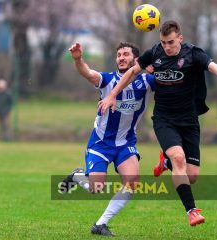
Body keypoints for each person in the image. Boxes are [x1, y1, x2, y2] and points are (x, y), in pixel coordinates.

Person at [98, 20, 217, 226]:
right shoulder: (154, 53)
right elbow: (133, 72)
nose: (167, 47)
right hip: (164, 119)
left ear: (180, 38)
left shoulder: (193, 54)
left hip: (189, 120)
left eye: (170, 42)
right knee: (179, 158)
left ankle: (166, 162)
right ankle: (192, 211)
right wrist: (113, 95)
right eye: (163, 42)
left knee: (192, 176)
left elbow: (216, 69)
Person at [59, 42, 155, 236]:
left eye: (126, 54)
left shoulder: (146, 81)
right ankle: (77, 175)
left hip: (126, 143)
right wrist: (78, 59)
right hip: (101, 143)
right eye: (118, 54)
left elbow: (169, 80)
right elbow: (87, 73)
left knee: (133, 182)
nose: (121, 57)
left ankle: (100, 224)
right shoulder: (107, 79)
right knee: (96, 188)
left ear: (136, 60)